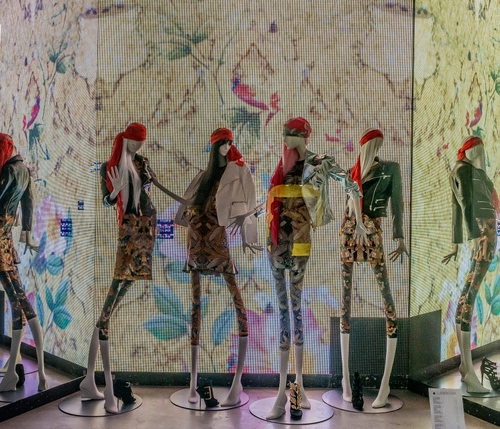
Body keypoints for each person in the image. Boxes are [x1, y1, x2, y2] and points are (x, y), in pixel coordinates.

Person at [79, 122, 186, 413]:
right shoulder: (110, 167)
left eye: (141, 142)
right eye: (135, 141)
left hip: (144, 231)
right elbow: (107, 200)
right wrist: (115, 191)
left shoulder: (141, 162)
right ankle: (106, 388)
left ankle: (89, 380)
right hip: (129, 235)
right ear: (125, 139)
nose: (138, 146)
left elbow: (153, 188)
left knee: (108, 311)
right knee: (107, 311)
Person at [265, 117, 363, 419]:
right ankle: (282, 392)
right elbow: (271, 201)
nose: (285, 139)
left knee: (295, 308)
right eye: (284, 134)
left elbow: (348, 181)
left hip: (300, 241)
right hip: (276, 242)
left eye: (289, 134)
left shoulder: (318, 162)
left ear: (301, 136)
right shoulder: (281, 165)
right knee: (283, 310)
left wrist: (356, 210)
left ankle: (297, 387)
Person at [175, 127, 260, 407]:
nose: (227, 147)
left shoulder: (237, 172)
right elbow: (184, 211)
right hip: (196, 244)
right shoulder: (203, 176)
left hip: (218, 244)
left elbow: (249, 205)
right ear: (214, 147)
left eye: (229, 142)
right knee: (195, 306)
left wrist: (248, 236)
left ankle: (237, 381)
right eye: (222, 143)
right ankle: (192, 382)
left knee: (237, 302)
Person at [339, 128, 408, 408]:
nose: (376, 149)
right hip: (350, 234)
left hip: (373, 233)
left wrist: (399, 237)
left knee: (387, 299)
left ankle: (385, 383)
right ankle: (345, 379)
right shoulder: (351, 172)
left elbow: (397, 204)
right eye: (373, 145)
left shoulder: (391, 169)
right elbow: (347, 207)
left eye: (378, 145)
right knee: (345, 299)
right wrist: (354, 222)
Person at [442, 136, 497, 393]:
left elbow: (458, 208)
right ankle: (468, 371)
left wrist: (457, 243)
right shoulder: (464, 170)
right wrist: (474, 237)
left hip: (484, 233)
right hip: (483, 233)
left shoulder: (469, 172)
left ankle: (466, 367)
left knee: (467, 295)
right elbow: (463, 204)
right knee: (470, 295)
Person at [0, 133, 47, 392]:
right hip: (6, 242)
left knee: (18, 302)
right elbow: (28, 206)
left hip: (1, 243)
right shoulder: (24, 171)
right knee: (20, 302)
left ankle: (13, 373)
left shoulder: (7, 171)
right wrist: (26, 234)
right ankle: (36, 372)